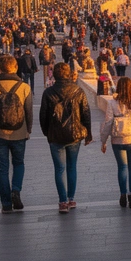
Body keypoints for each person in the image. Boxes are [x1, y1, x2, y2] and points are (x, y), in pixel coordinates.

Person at [0, 55, 33, 213]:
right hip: (19, 133)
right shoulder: (24, 87)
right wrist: (27, 129)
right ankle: (16, 189)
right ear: (15, 68)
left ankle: (6, 204)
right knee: (19, 163)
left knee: (2, 169)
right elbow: (28, 112)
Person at [40, 62, 92, 213]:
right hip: (74, 136)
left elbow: (43, 116)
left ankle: (62, 201)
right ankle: (71, 198)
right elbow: (86, 113)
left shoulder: (48, 93)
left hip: (55, 137)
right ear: (69, 74)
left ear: (54, 75)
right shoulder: (78, 91)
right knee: (72, 166)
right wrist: (88, 133)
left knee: (59, 169)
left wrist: (47, 132)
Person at [101, 76, 131, 209]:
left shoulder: (113, 103)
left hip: (118, 140)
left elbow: (108, 123)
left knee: (122, 167)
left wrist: (103, 141)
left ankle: (122, 195)